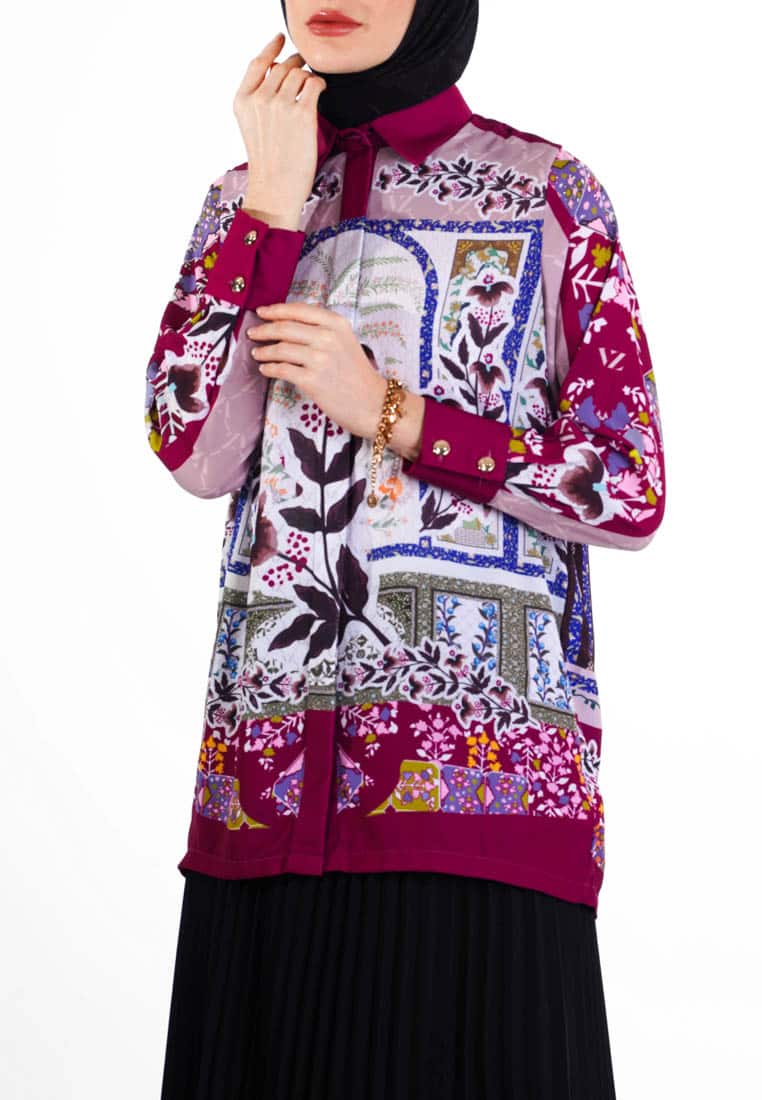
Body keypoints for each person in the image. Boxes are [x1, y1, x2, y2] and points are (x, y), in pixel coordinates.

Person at [147, 1, 666, 1096]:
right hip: (264, 799)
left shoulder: (545, 192)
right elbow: (194, 450)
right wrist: (272, 208)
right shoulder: (242, 199)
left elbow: (628, 483)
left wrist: (396, 412)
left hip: (481, 811)